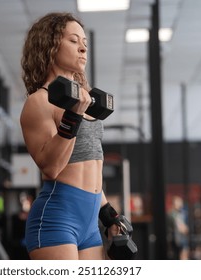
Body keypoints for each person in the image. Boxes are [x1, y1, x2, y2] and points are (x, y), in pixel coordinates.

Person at [20, 12, 120, 260]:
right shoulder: (39, 102)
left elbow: (91, 163)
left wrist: (108, 214)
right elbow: (51, 167)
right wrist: (72, 117)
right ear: (50, 46)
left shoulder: (85, 100)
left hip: (89, 222)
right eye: (73, 41)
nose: (83, 48)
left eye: (84, 42)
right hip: (56, 219)